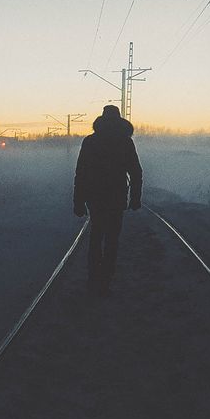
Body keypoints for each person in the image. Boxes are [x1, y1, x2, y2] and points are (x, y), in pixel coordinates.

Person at [73, 104, 143, 296]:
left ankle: (93, 277)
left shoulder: (90, 142)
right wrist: (135, 198)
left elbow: (81, 173)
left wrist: (78, 201)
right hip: (116, 196)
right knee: (112, 238)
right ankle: (106, 279)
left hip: (95, 196)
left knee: (96, 236)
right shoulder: (125, 143)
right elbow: (136, 172)